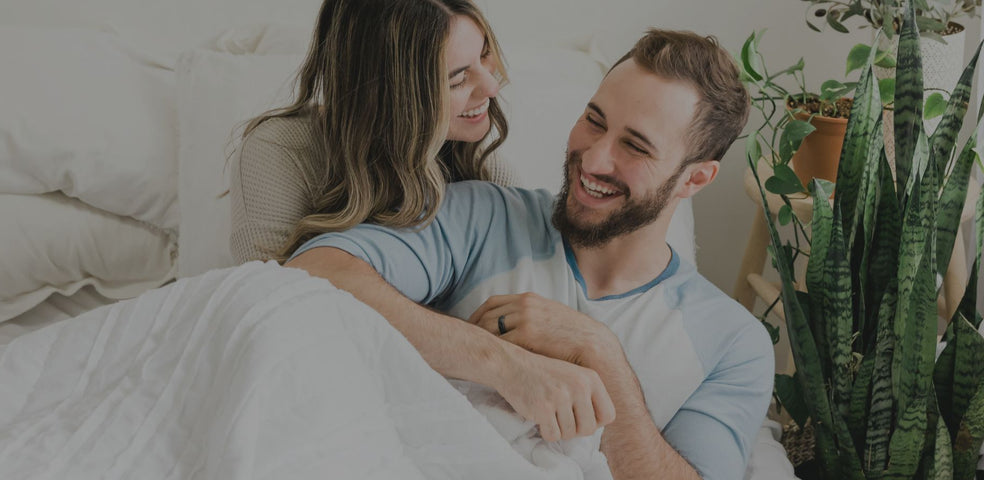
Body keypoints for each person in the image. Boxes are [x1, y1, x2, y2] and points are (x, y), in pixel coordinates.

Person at [287, 29, 774, 480]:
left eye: (635, 147)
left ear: (695, 179)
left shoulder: (732, 343)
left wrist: (598, 352)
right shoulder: (483, 216)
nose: (595, 158)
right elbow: (313, 273)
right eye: (594, 121)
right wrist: (504, 364)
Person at [229, 0, 517, 263]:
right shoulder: (280, 153)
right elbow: (267, 304)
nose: (492, 88)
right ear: (387, 95)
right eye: (457, 79)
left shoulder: (484, 171)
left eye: (485, 55)